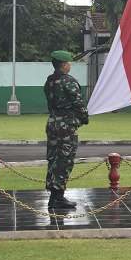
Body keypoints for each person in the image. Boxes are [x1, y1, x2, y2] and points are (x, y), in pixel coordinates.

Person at [44, 50, 89, 209]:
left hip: (53, 122)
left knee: (53, 158)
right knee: (65, 158)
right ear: (64, 64)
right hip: (66, 125)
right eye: (69, 62)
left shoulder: (49, 81)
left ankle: (54, 196)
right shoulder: (68, 81)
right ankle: (58, 197)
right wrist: (84, 117)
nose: (70, 65)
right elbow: (78, 103)